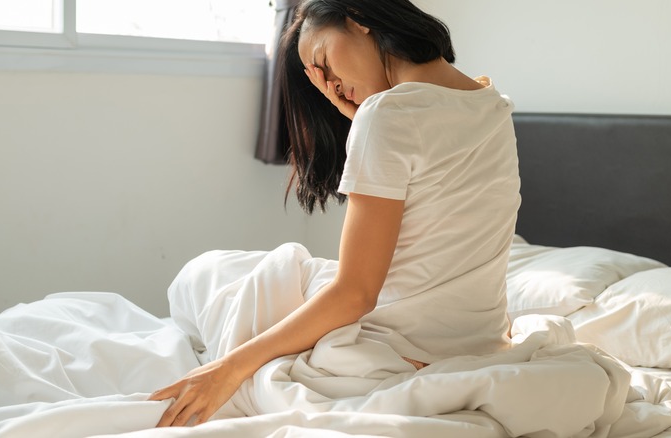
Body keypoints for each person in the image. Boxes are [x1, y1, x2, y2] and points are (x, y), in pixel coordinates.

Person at [149, 0, 520, 427]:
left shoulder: (388, 117)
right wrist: (362, 119)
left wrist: (228, 369)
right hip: (479, 341)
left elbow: (355, 294)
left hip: (402, 347)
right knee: (234, 273)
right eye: (317, 78)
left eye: (323, 61)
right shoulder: (493, 104)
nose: (329, 84)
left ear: (358, 19)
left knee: (204, 273)